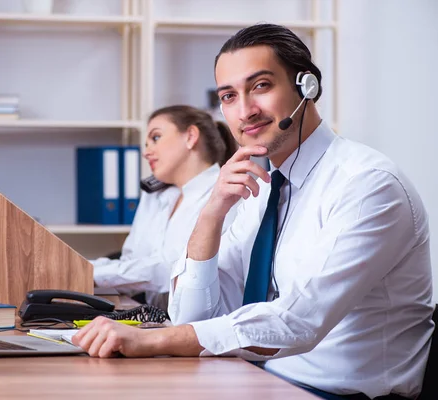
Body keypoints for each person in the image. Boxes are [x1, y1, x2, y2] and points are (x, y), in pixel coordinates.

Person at [72, 24, 434, 400]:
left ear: (307, 86)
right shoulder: (260, 188)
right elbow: (193, 317)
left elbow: (297, 321)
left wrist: (155, 340)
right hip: (260, 381)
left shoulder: (367, 185)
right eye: (229, 96)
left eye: (261, 86)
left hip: (333, 393)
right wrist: (212, 213)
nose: (245, 111)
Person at [91, 104, 239, 310]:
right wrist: (83, 269)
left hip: (204, 326)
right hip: (156, 321)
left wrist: (91, 272)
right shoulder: (156, 195)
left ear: (190, 136)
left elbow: (175, 268)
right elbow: (132, 264)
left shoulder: (227, 193)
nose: (146, 152)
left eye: (156, 138)